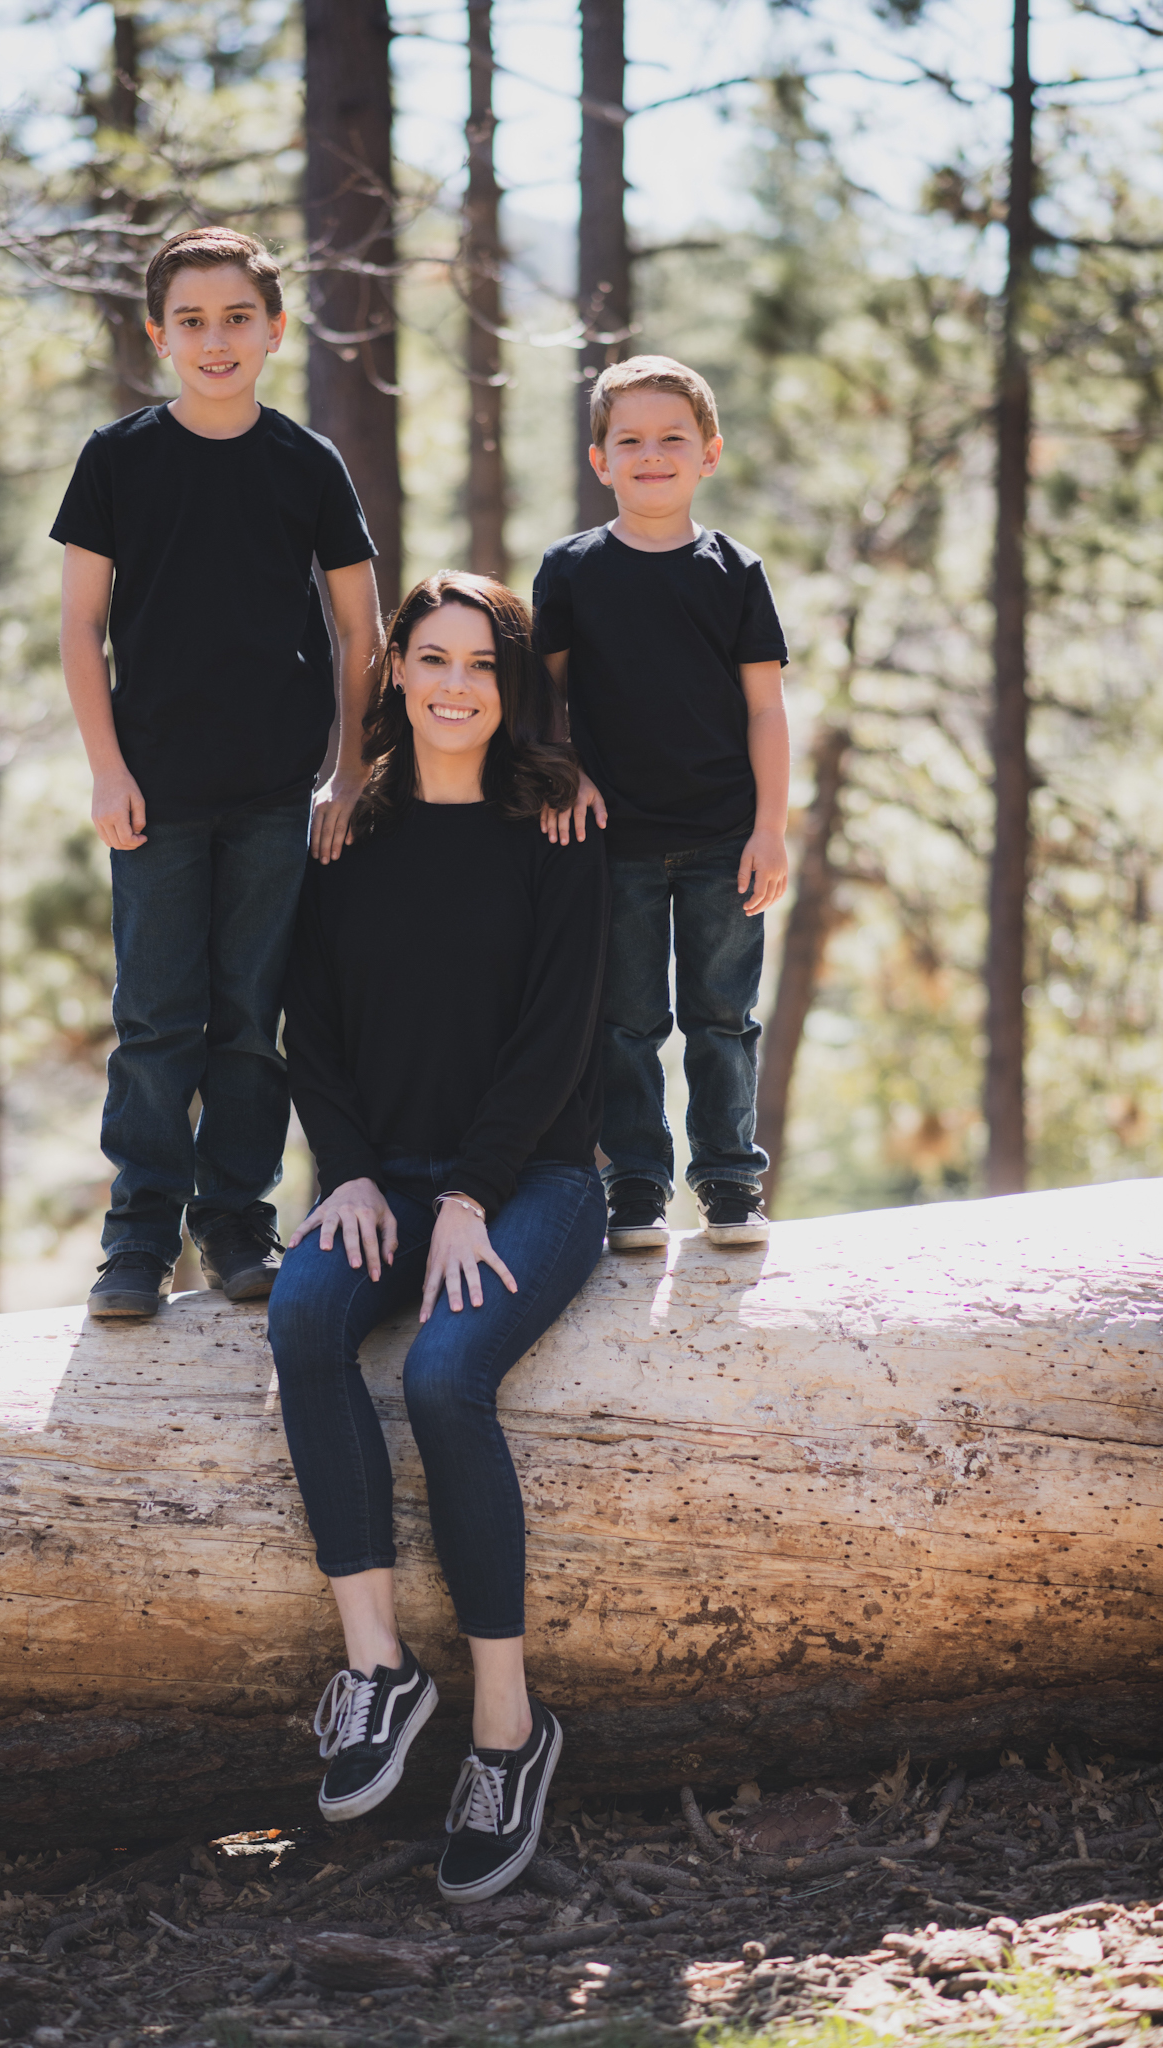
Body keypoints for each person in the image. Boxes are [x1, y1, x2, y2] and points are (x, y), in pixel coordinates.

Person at [267, 572, 609, 1904]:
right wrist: (346, 1176)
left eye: (479, 663)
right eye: (430, 659)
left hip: (530, 1182)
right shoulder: (347, 835)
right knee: (303, 1324)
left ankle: (507, 1733)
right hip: (383, 1182)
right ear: (396, 673)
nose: (454, 684)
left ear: (508, 681)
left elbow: (555, 1038)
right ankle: (374, 1670)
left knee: (442, 1376)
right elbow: (317, 1029)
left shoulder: (561, 829)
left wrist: (468, 1193)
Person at [50, 227, 383, 1319]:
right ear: (158, 335)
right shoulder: (117, 459)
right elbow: (81, 626)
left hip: (276, 796)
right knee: (156, 1019)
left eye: (237, 316)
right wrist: (106, 769)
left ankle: (238, 1222)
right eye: (190, 320)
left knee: (249, 1017)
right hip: (154, 795)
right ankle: (138, 1242)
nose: (215, 338)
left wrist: (343, 775)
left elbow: (359, 631)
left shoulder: (306, 464)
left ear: (275, 329)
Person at [532, 355, 790, 1253]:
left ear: (708, 454)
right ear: (598, 459)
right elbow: (548, 701)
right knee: (626, 1020)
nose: (651, 455)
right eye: (628, 440)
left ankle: (727, 1184)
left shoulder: (735, 571)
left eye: (671, 438)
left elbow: (765, 707)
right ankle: (634, 1186)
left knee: (721, 1018)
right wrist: (569, 772)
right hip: (614, 840)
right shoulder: (568, 571)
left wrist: (769, 828)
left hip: (723, 837)